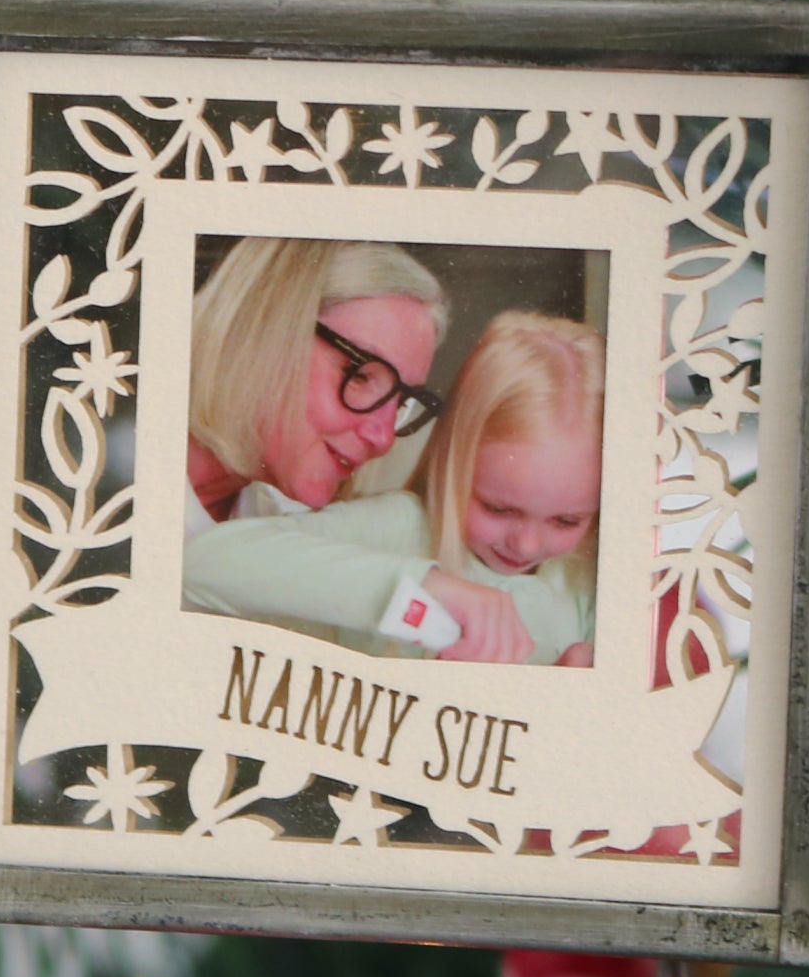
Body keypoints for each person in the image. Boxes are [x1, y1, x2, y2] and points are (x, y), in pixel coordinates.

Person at [183, 311, 604, 666]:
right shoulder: (401, 528)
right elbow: (201, 563)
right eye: (498, 509)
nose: (527, 545)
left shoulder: (584, 579)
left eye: (567, 521)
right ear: (453, 465)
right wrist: (421, 587)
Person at [185, 237, 449, 532]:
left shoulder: (276, 531)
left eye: (401, 402)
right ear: (263, 331)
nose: (383, 439)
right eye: (360, 376)